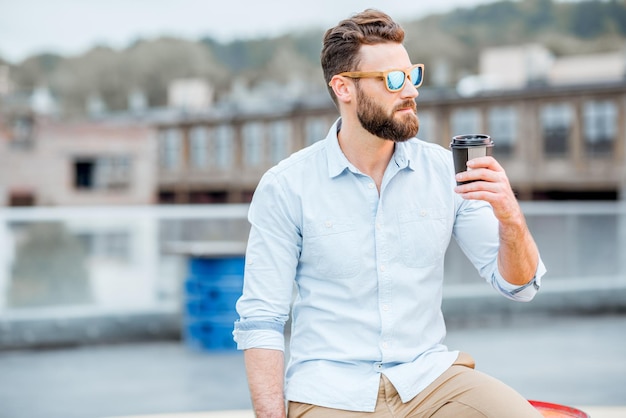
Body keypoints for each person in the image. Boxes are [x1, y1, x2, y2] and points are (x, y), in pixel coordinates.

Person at [233, 8, 546, 418]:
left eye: (412, 74)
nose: (411, 91)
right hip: (331, 392)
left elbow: (519, 287)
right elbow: (262, 321)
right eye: (392, 80)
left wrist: (511, 218)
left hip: (430, 380)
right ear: (344, 88)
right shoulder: (287, 185)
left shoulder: (443, 173)